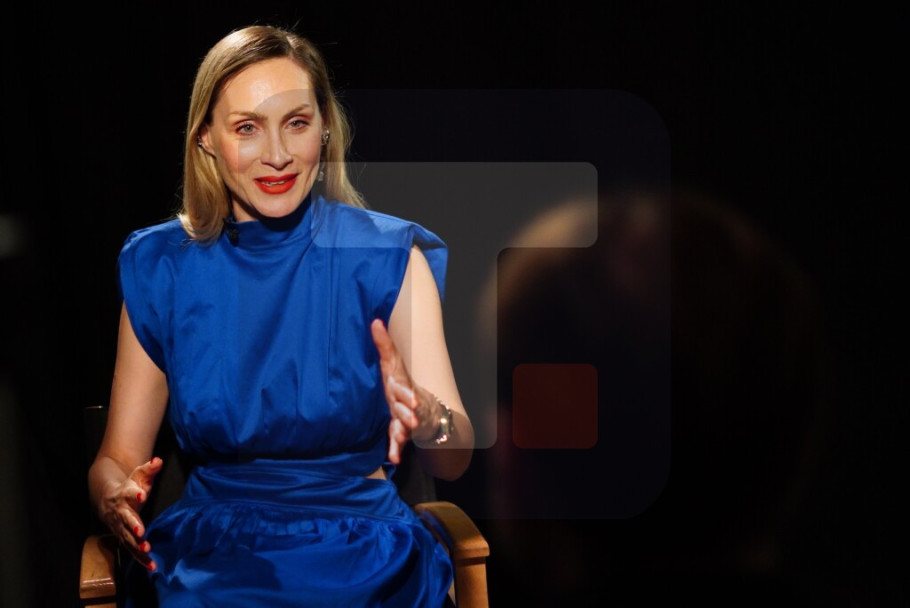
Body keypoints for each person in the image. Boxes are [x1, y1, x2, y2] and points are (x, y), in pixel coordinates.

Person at [87, 24, 474, 607]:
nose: (277, 154)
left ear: (325, 127)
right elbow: (116, 459)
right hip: (211, 558)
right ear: (206, 139)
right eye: (247, 128)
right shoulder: (161, 265)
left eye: (296, 123)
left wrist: (427, 415)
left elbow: (456, 454)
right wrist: (112, 495)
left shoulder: (389, 256)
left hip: (365, 553)